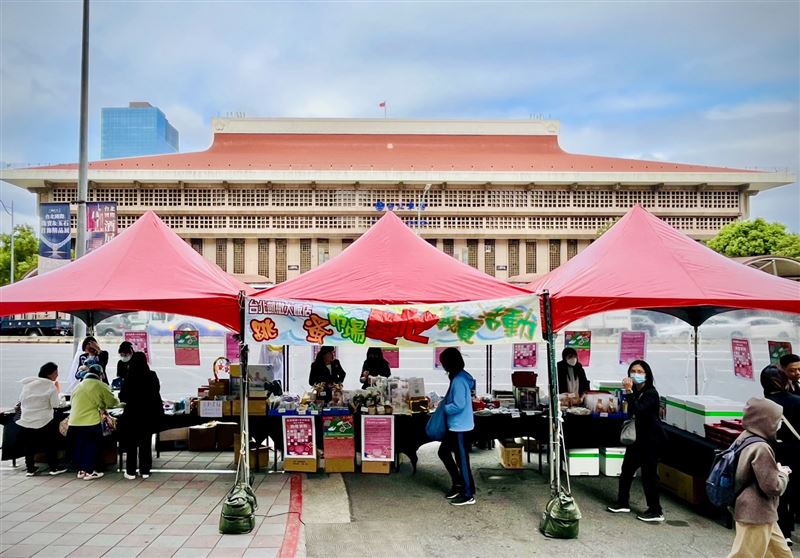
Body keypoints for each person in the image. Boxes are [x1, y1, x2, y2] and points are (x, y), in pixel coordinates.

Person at [726, 397, 792, 558]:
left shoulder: (744, 437)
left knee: (781, 555)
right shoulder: (761, 447)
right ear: (766, 420)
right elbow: (772, 486)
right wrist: (782, 473)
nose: (778, 424)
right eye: (776, 420)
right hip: (756, 513)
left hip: (756, 511)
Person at [607, 359, 666, 522]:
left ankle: (656, 510)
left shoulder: (651, 394)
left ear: (647, 375)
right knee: (626, 471)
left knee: (649, 476)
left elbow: (637, 410)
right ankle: (623, 502)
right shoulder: (637, 391)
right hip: (638, 440)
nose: (636, 374)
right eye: (633, 371)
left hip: (651, 441)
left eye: (640, 372)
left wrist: (628, 392)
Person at [761, 365, 800, 547]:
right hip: (797, 450)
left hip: (776, 451)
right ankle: (790, 529)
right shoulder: (797, 401)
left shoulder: (764, 404)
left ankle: (783, 532)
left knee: (780, 492)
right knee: (795, 491)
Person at [437, 347, 477, 507]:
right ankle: (458, 484)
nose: (443, 366)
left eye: (443, 363)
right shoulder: (462, 376)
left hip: (460, 426)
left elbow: (459, 405)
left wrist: (444, 407)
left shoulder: (459, 380)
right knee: (444, 452)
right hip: (458, 425)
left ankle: (468, 494)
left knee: (462, 461)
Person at [16, 362, 68, 477]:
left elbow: (21, 399)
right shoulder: (50, 386)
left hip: (27, 419)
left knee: (29, 446)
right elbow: (55, 404)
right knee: (50, 444)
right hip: (44, 420)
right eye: (56, 373)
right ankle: (54, 467)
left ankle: (30, 469)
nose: (57, 375)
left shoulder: (28, 384)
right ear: (50, 374)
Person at [68, 366, 119, 480]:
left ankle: (81, 471)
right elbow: (111, 402)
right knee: (91, 446)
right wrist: (118, 403)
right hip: (90, 421)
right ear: (100, 375)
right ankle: (90, 472)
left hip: (74, 422)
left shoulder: (78, 386)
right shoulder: (100, 385)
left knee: (80, 447)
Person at [118, 352, 164, 479]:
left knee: (131, 444)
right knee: (145, 443)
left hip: (132, 414)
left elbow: (123, 396)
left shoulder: (129, 376)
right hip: (147, 414)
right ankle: (145, 471)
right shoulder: (152, 375)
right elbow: (156, 391)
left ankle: (131, 471)